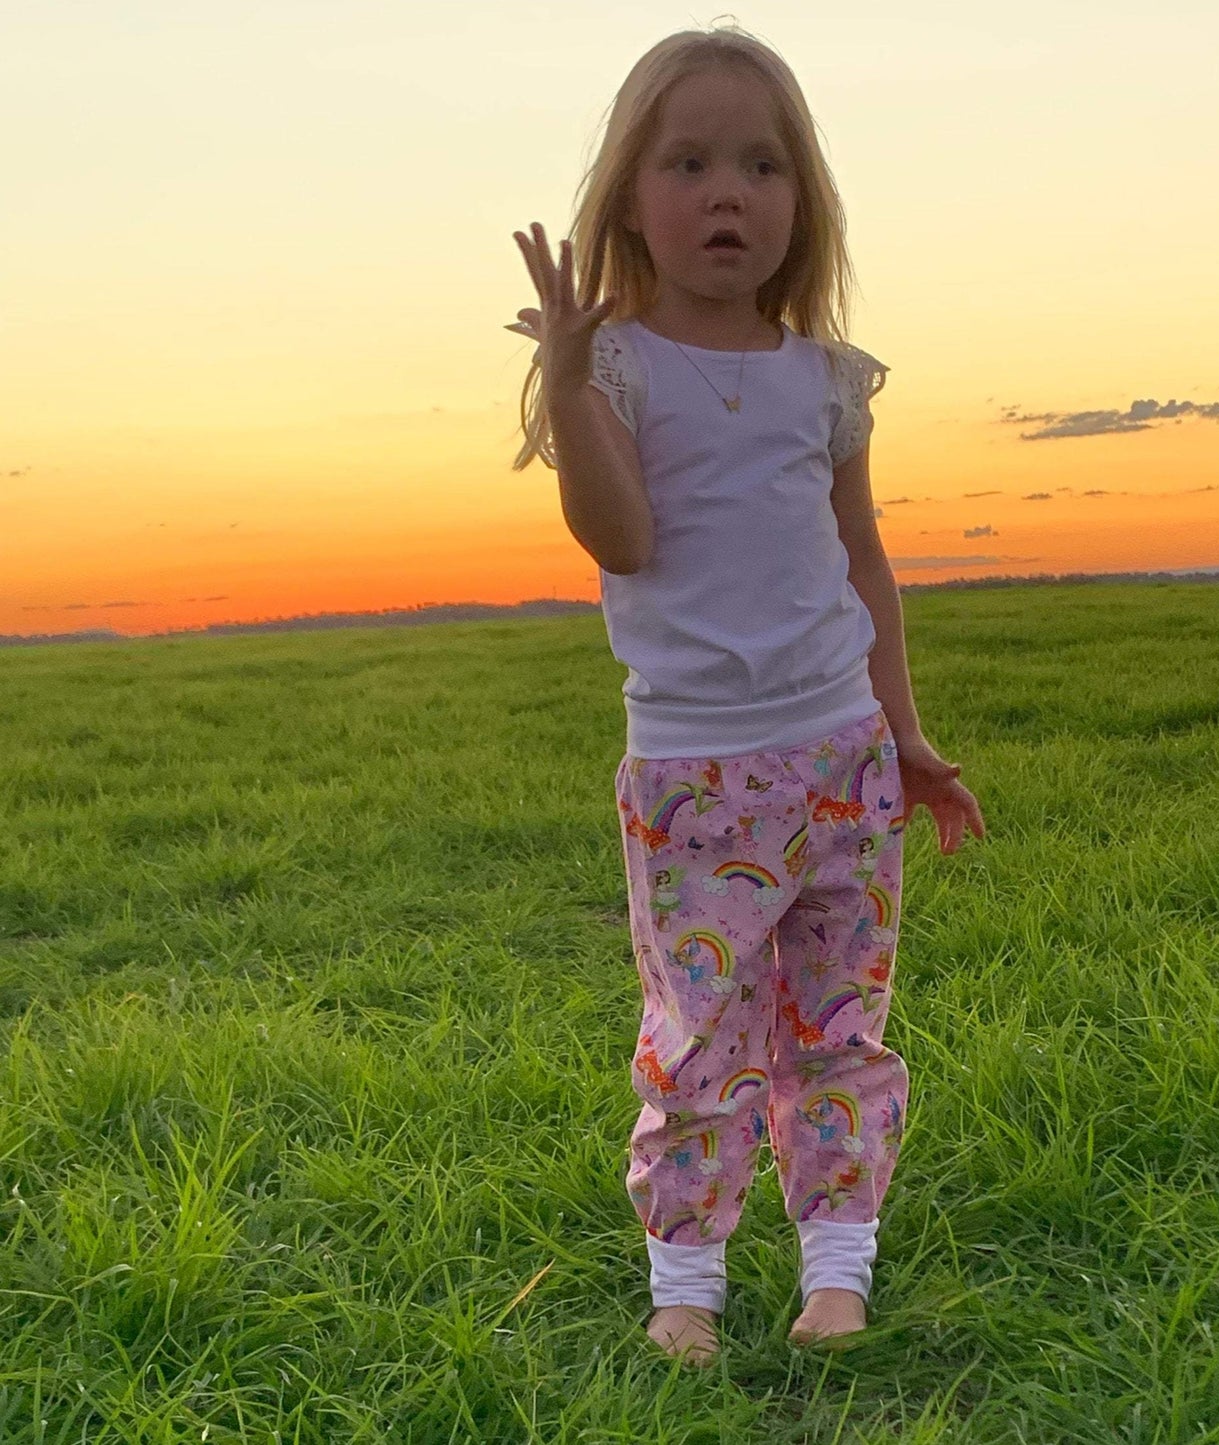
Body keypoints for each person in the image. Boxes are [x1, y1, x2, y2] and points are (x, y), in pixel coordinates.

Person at [506, 21, 985, 1367]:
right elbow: (621, 539)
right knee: (701, 1035)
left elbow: (863, 562)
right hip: (696, 780)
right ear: (628, 200)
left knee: (840, 1032)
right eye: (691, 161)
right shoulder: (617, 367)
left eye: (763, 166)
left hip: (840, 761)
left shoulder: (823, 381)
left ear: (802, 203)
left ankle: (838, 1272)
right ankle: (686, 1286)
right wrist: (564, 376)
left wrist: (905, 735)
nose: (728, 191)